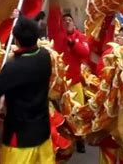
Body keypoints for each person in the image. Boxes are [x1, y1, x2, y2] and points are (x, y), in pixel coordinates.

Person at [0, 14, 54, 163]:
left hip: (20, 140)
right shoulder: (44, 56)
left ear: (16, 40)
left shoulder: (14, 67)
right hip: (43, 134)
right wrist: (20, 17)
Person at [47, 9, 89, 153]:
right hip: (59, 85)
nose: (67, 22)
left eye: (69, 20)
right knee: (59, 115)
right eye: (64, 21)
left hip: (75, 82)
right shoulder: (57, 36)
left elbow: (85, 53)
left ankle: (80, 139)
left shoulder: (81, 37)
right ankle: (62, 142)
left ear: (74, 23)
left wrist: (73, 43)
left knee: (77, 113)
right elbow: (53, 20)